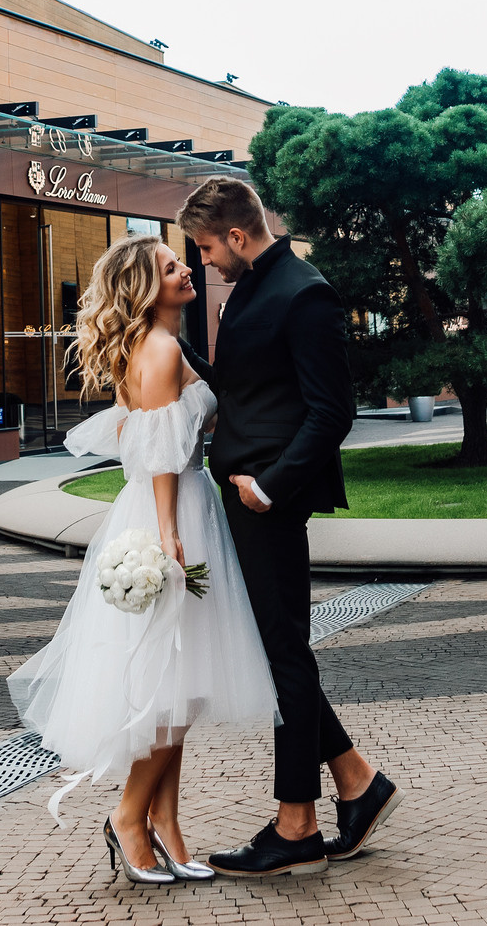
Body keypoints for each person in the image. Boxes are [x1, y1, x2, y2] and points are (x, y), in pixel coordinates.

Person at [6, 233, 276, 886]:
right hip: (174, 510)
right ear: (146, 288)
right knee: (171, 692)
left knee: (180, 686)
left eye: (181, 260)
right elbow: (158, 450)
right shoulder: (157, 348)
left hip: (187, 504)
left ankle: (168, 826)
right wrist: (168, 535)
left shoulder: (166, 344)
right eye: (170, 267)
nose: (186, 269)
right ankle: (130, 817)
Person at [177, 176, 403, 879]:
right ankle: (358, 783)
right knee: (278, 649)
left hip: (267, 500)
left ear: (238, 236)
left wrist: (272, 488)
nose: (207, 260)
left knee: (284, 655)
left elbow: (332, 410)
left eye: (210, 247)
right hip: (247, 495)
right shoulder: (253, 285)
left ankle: (297, 822)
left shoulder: (305, 291)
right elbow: (253, 385)